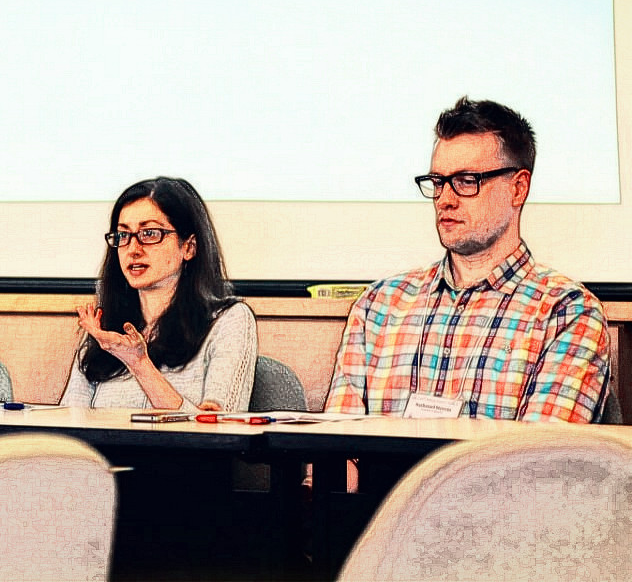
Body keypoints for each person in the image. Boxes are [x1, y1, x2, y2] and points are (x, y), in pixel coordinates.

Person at [325, 97, 610, 422]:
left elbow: (541, 451)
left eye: (466, 181)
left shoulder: (566, 312)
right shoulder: (378, 306)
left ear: (518, 188)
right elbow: (337, 447)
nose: (445, 200)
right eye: (437, 182)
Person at [61, 177, 256, 411]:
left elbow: (219, 427)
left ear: (189, 247)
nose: (133, 249)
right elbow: (70, 421)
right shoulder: (105, 327)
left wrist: (139, 364)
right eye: (123, 235)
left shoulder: (228, 321)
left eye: (150, 233)